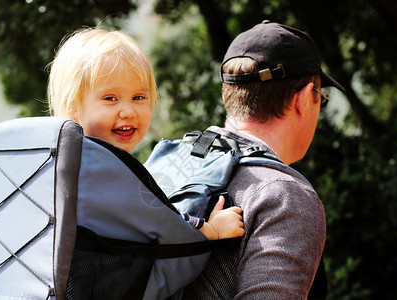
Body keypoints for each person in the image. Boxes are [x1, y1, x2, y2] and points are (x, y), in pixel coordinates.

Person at [181, 21, 346, 299]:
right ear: (304, 99)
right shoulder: (284, 197)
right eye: (322, 97)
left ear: (227, 95)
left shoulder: (178, 159)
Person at [46, 27, 244, 241]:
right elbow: (162, 221)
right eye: (110, 98)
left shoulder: (68, 161)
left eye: (139, 97)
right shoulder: (101, 169)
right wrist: (212, 230)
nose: (128, 111)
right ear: (73, 106)